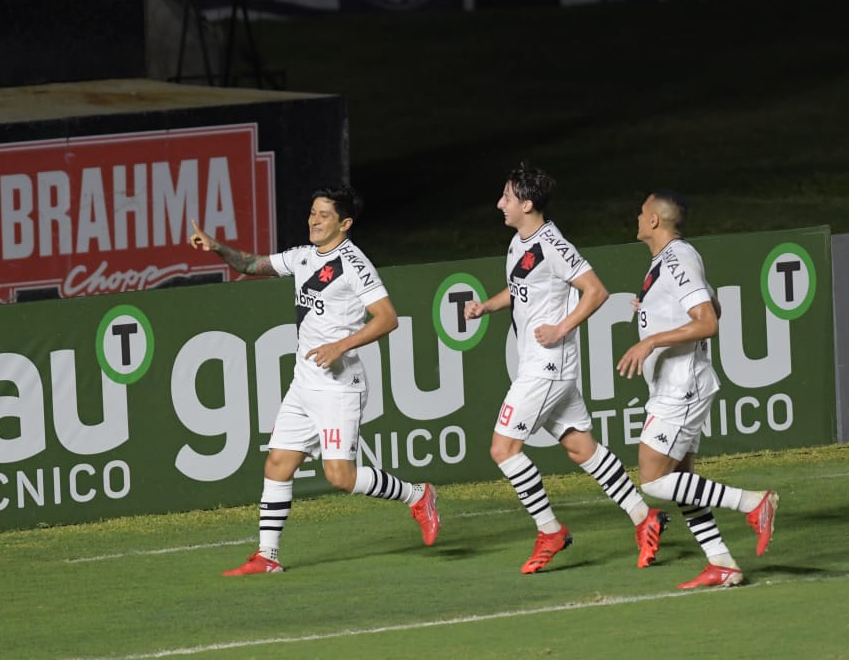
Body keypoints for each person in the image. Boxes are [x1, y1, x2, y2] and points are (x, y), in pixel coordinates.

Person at [188, 186, 440, 576]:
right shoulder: (303, 256)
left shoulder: (354, 265)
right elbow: (252, 265)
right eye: (312, 213)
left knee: (340, 477)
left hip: (339, 387)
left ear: (345, 223)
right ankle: (267, 556)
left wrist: (341, 345)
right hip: (303, 384)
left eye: (324, 215)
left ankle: (418, 495)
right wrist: (217, 246)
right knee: (277, 463)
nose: (314, 220)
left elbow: (388, 318)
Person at [464, 162, 668, 574]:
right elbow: (521, 288)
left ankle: (550, 531)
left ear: (526, 204)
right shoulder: (520, 242)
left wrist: (561, 328)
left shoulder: (553, 245)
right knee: (580, 447)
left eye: (507, 197)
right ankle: (644, 517)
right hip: (541, 365)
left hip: (548, 367)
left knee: (503, 449)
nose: (500, 203)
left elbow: (596, 291)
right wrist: (487, 306)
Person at [616, 189, 779, 589]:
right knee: (682, 482)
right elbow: (713, 305)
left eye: (641, 211)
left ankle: (753, 502)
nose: (637, 217)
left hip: (682, 387)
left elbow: (708, 322)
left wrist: (650, 342)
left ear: (654, 220)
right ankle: (721, 563)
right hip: (676, 385)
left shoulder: (677, 257)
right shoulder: (668, 260)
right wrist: (652, 312)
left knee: (653, 480)